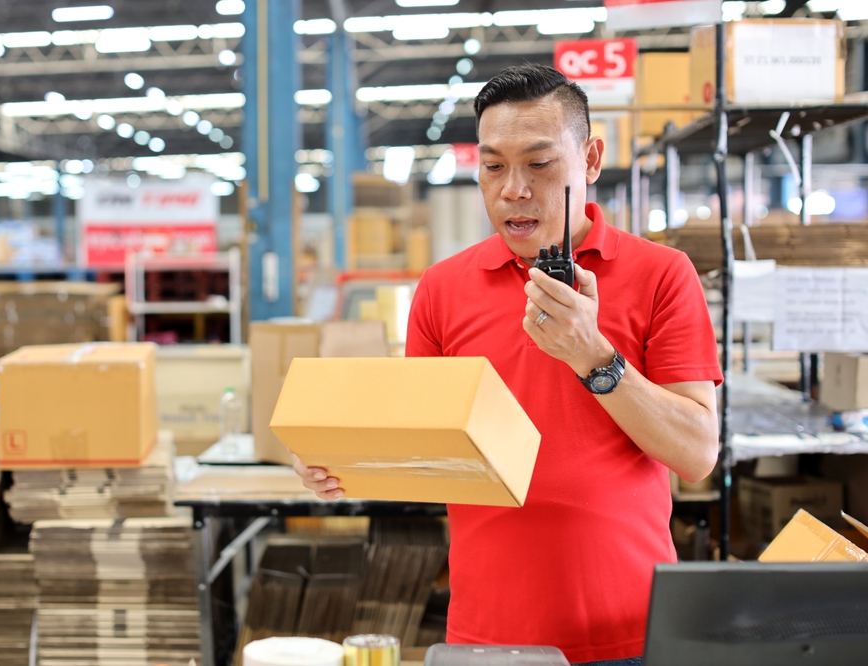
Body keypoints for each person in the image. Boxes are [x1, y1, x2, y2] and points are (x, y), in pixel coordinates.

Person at [294, 64, 722, 666]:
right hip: (487, 635)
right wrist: (337, 459)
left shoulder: (662, 275)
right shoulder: (443, 289)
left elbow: (698, 452)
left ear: (591, 160)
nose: (513, 190)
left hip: (627, 632)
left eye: (540, 165)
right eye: (493, 166)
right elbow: (425, 444)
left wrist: (594, 357)